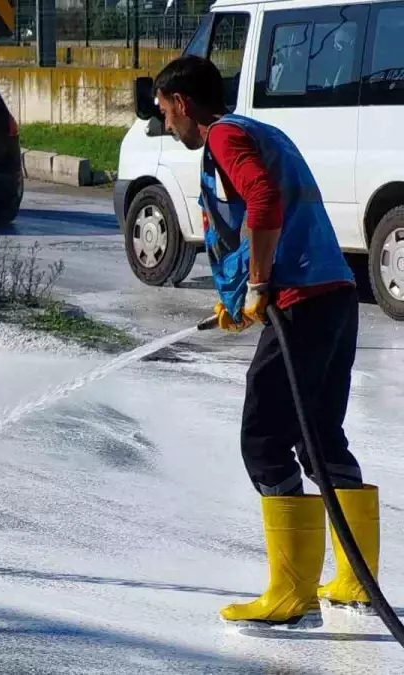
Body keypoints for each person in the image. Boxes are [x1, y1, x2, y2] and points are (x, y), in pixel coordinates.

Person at [152, 55, 378, 628]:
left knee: (264, 437)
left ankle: (290, 593)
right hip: (333, 294)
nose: (163, 122)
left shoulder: (225, 137)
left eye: (163, 109)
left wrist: (257, 283)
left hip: (301, 301)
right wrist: (240, 297)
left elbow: (264, 200)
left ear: (182, 102)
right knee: (319, 433)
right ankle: (354, 579)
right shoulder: (259, 129)